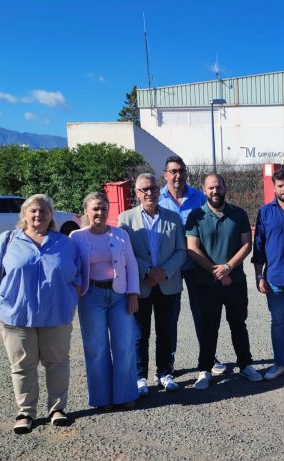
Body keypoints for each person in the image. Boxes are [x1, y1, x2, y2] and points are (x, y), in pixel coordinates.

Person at [0, 194, 81, 434]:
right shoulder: (8, 240)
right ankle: (26, 412)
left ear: (51, 215)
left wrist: (70, 301)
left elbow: (78, 275)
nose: (38, 215)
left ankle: (57, 409)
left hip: (56, 315)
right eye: (33, 210)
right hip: (15, 317)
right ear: (24, 214)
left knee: (57, 363)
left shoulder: (64, 243)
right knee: (22, 365)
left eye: (44, 210)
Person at [185, 174, 262, 389]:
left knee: (238, 324)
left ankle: (246, 365)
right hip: (206, 282)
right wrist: (215, 271)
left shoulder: (238, 214)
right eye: (210, 188)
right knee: (209, 327)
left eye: (218, 187)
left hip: (235, 281)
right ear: (204, 190)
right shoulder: (196, 215)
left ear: (225, 188)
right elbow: (192, 248)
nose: (215, 191)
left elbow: (247, 244)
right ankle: (205, 369)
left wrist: (228, 267)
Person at [158, 155, 228, 376]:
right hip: (169, 266)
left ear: (186, 173)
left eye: (181, 170)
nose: (177, 175)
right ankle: (167, 363)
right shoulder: (156, 199)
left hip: (197, 264)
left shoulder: (199, 198)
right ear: (165, 174)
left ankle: (208, 358)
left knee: (203, 314)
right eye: (173, 171)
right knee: (169, 317)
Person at [118, 173, 187, 395]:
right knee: (140, 334)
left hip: (168, 283)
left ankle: (164, 373)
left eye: (153, 188)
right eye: (144, 189)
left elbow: (181, 250)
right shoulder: (126, 219)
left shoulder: (173, 218)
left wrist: (163, 273)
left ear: (159, 190)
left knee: (166, 331)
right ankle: (139, 377)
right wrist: (147, 270)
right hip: (140, 284)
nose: (149, 193)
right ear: (136, 193)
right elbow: (124, 252)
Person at [71, 192, 140, 410]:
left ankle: (125, 394)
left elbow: (131, 265)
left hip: (119, 295)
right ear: (86, 211)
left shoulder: (120, 235)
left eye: (103, 208)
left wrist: (132, 294)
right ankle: (102, 398)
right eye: (95, 209)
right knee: (96, 347)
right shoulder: (76, 237)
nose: (100, 212)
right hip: (91, 296)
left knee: (124, 345)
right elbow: (71, 268)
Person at [252, 168, 284, 381]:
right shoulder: (265, 212)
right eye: (280, 185)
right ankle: (279, 364)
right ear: (274, 187)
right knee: (277, 323)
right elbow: (259, 247)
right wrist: (259, 276)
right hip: (274, 279)